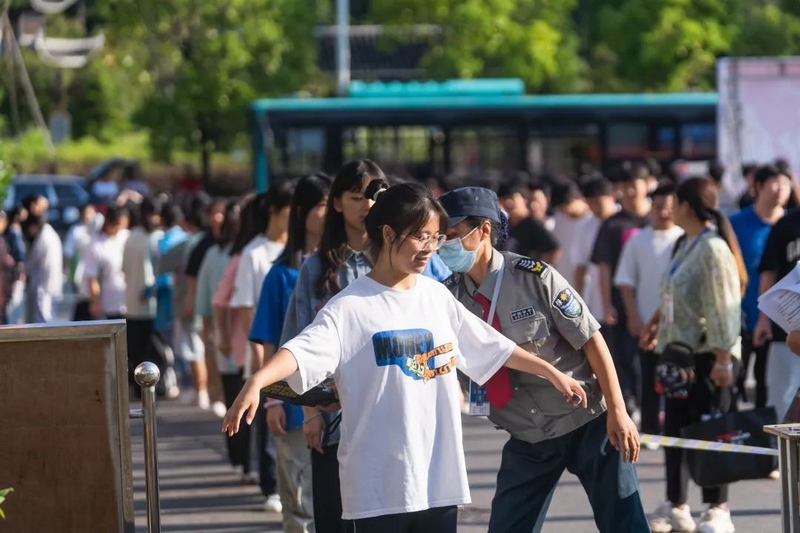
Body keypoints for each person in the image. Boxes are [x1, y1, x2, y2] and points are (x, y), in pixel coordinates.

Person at [222, 179, 588, 532]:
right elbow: (301, 351)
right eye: (420, 237)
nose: (430, 248)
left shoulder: (436, 296)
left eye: (436, 237)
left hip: (438, 481)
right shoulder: (349, 307)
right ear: (387, 235)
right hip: (376, 490)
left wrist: (553, 373)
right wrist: (257, 382)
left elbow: (493, 347)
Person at [438, 186, 647, 532]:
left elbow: (592, 340)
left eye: (453, 235)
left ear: (484, 230)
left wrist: (619, 411)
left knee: (625, 524)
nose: (446, 245)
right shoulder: (447, 297)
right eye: (441, 237)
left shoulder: (535, 277)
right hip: (527, 434)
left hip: (588, 422)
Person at [641, 177, 745, 533]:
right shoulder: (686, 243)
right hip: (677, 354)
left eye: (674, 200)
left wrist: (722, 359)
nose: (669, 207)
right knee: (676, 430)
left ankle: (718, 508)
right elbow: (673, 291)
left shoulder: (713, 247)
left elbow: (725, 308)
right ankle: (677, 504)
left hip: (708, 356)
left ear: (687, 205)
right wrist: (656, 322)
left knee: (712, 430)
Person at [250, 173, 332, 533]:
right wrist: (271, 402)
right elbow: (270, 342)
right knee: (299, 499)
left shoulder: (348, 268)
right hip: (295, 402)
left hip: (343, 400)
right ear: (301, 212)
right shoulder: (281, 274)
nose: (328, 212)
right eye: (320, 204)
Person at [614, 182, 683, 437]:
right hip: (646, 323)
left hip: (679, 325)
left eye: (669, 207)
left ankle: (676, 428)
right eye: (659, 207)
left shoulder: (683, 238)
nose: (664, 212)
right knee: (648, 377)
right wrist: (633, 316)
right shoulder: (638, 240)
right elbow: (626, 282)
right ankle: (651, 427)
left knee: (677, 378)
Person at [590, 162, 651, 419]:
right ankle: (630, 403)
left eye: (634, 184)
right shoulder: (613, 224)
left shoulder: (656, 220)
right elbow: (603, 267)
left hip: (652, 301)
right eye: (624, 186)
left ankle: (650, 406)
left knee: (650, 360)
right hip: (620, 303)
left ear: (647, 185)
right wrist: (606, 304)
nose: (629, 191)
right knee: (624, 357)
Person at [730, 165, 791, 407]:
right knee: (736, 382)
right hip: (741, 315)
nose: (779, 190)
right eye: (774, 184)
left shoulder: (791, 226)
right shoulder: (736, 223)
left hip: (779, 320)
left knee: (769, 386)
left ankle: (765, 440)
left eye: (785, 185)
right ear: (758, 187)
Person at [754, 206, 800, 421]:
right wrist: (764, 320)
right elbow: (769, 271)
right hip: (787, 327)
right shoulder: (786, 224)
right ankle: (780, 455)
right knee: (782, 402)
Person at [497, 177, 560, 264]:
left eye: (512, 198)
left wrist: (539, 271)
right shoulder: (505, 225)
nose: (508, 203)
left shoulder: (532, 224)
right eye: (504, 199)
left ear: (524, 199)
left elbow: (553, 249)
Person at [84, 206, 131, 320]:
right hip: (108, 305)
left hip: (129, 303)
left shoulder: (126, 236)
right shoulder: (96, 245)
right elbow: (92, 277)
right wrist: (95, 302)